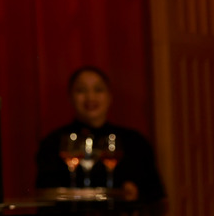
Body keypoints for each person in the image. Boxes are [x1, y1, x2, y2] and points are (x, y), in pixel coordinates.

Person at [35, 65, 165, 203]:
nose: (90, 97)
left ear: (110, 96)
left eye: (98, 90)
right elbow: (45, 193)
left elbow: (156, 193)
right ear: (70, 97)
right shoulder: (54, 142)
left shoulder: (134, 141)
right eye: (81, 90)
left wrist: (135, 192)